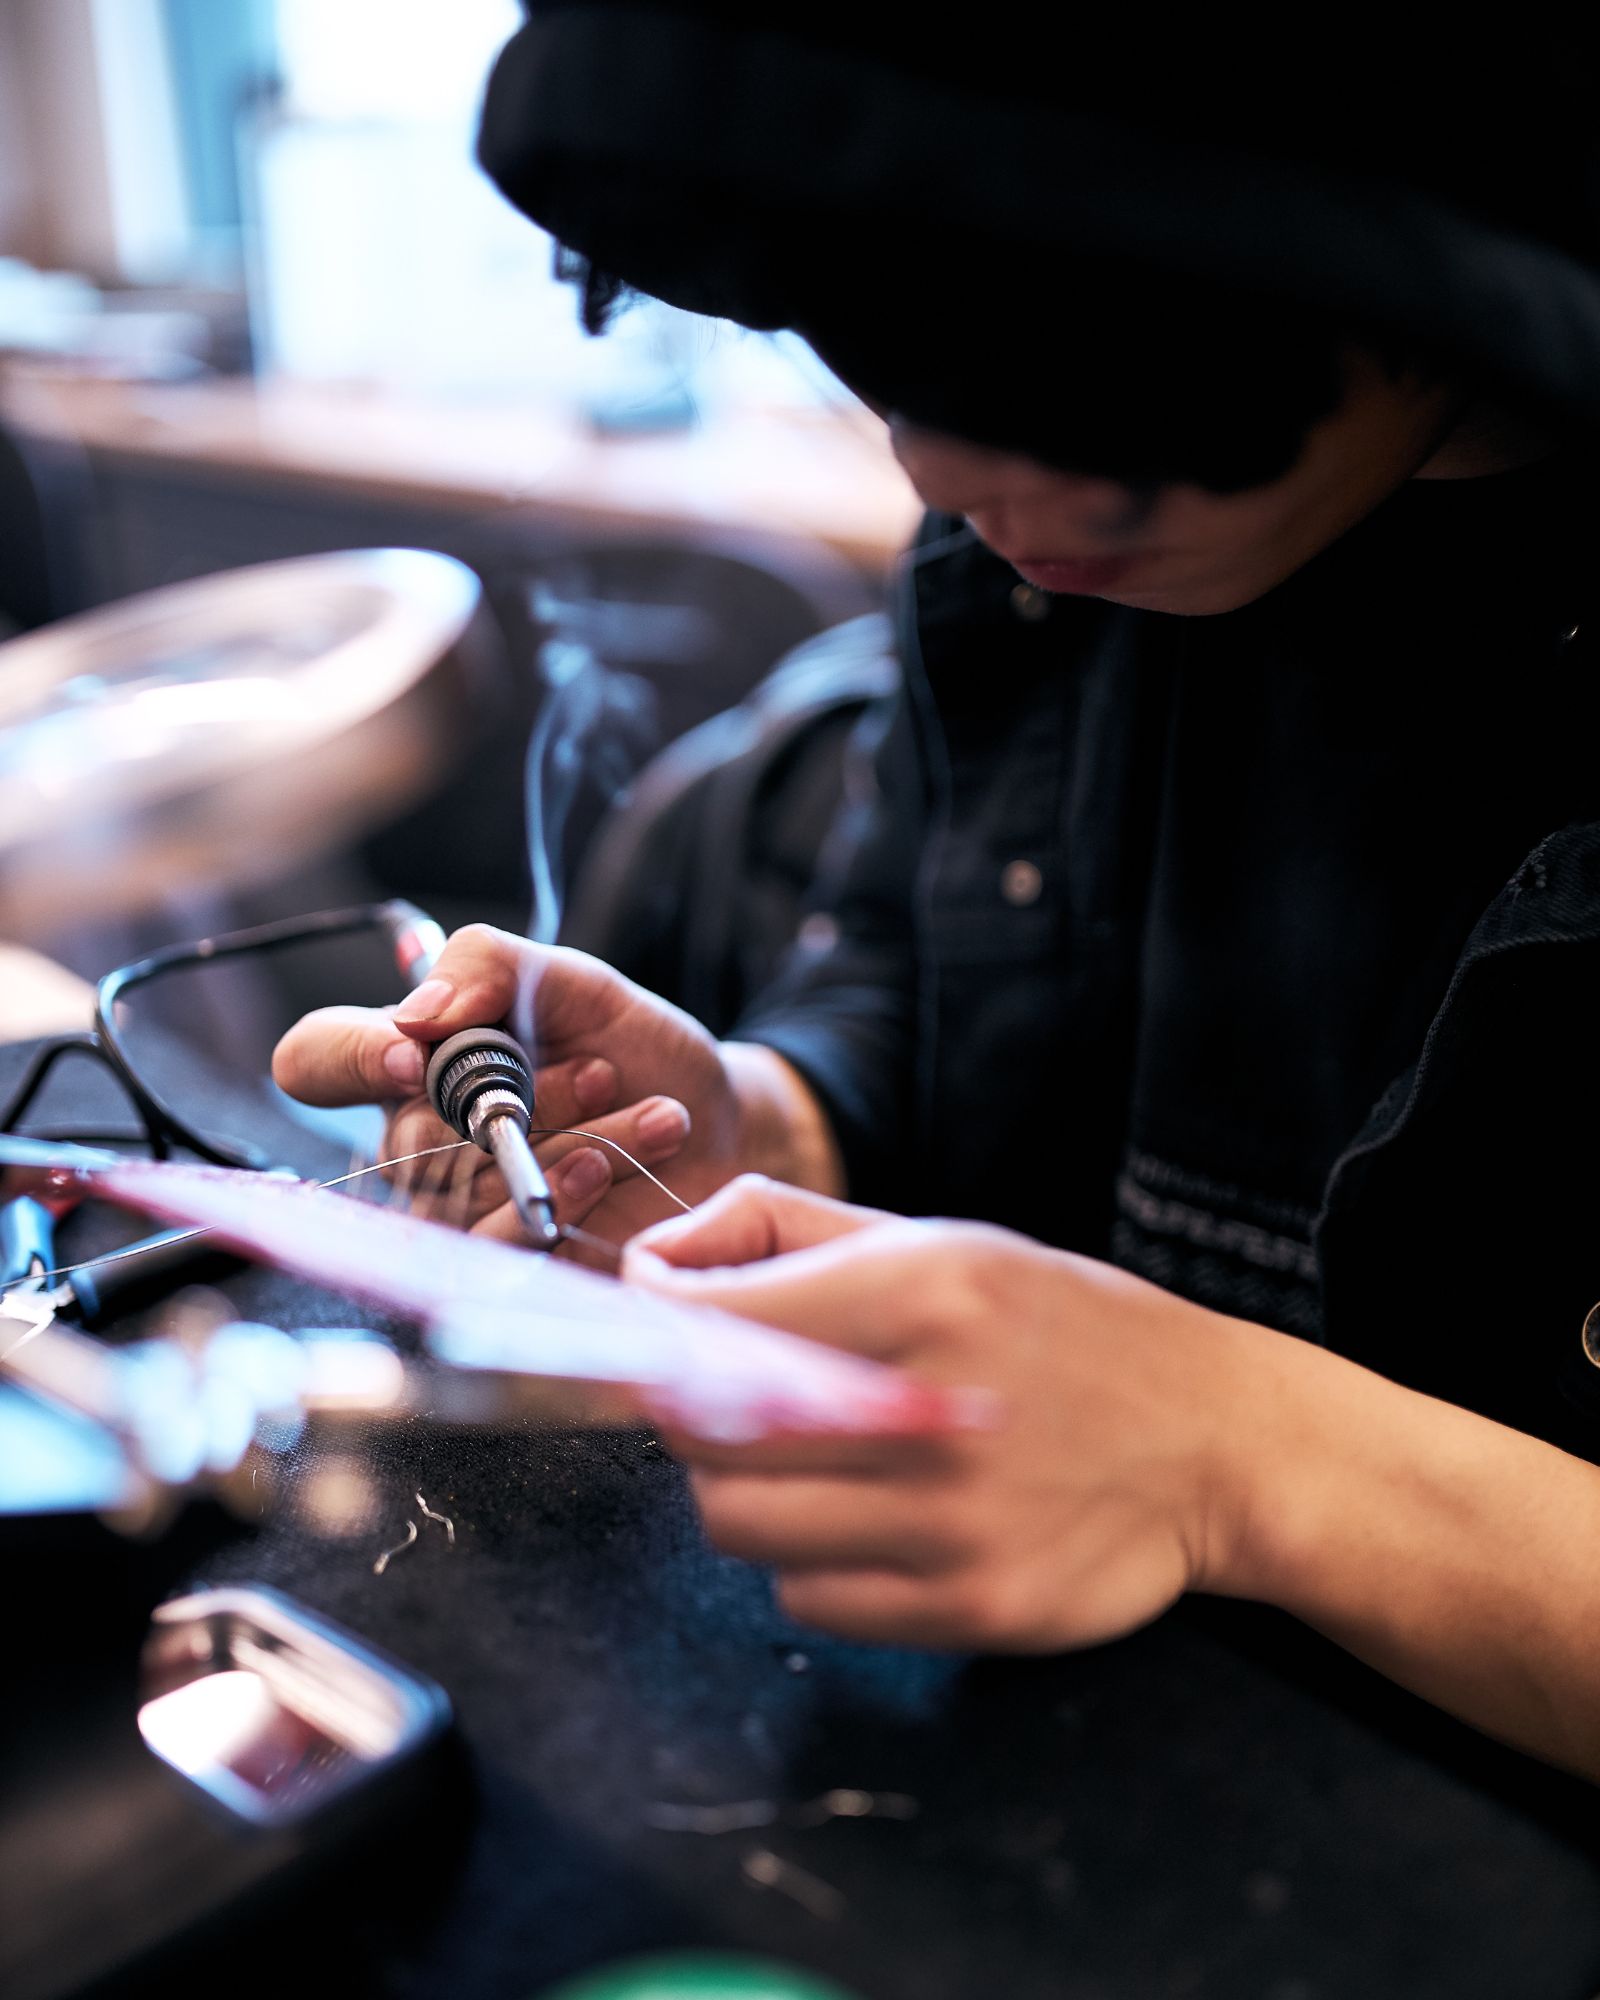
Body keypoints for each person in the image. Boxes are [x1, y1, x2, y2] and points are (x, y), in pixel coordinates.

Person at [273, 15, 1600, 1782]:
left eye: (1080, 378)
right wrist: (745, 1130)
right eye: (886, 356)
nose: (948, 476)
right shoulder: (1039, 579)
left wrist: (1242, 1454)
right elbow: (928, 987)